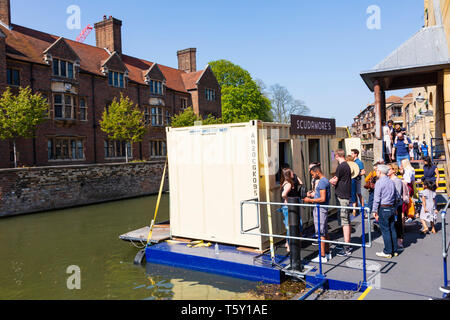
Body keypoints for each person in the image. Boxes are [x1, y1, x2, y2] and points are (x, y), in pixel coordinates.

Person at [372, 164, 400, 258]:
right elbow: (397, 196)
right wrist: (395, 207)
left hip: (383, 208)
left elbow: (376, 198)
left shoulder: (379, 183)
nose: (376, 172)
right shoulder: (391, 182)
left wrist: (374, 210)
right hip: (391, 207)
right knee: (392, 228)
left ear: (380, 172)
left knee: (385, 230)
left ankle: (387, 251)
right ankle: (394, 250)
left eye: (376, 171)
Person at [303, 165, 331, 262]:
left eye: (313, 174)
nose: (312, 176)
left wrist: (310, 200)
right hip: (322, 208)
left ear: (317, 172)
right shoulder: (325, 180)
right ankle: (327, 253)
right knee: (325, 231)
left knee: (320, 232)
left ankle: (322, 256)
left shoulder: (322, 182)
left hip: (321, 209)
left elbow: (322, 198)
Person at [329, 149, 353, 257]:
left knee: (345, 221)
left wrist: (329, 181)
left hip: (342, 197)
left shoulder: (341, 166)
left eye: (335, 155)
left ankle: (347, 247)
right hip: (344, 195)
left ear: (337, 155)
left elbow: (334, 180)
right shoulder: (346, 165)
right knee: (345, 220)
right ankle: (347, 244)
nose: (334, 157)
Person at [280, 168, 301, 252]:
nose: (293, 173)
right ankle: (289, 245)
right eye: (292, 172)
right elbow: (283, 194)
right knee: (292, 226)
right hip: (288, 207)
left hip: (286, 206)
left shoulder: (285, 182)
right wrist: (288, 200)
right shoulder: (288, 184)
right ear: (288, 174)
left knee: (288, 225)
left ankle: (287, 242)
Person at [388, 164, 404, 250]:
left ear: (394, 170)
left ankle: (399, 240)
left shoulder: (397, 180)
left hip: (396, 205)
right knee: (392, 223)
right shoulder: (388, 180)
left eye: (389, 169)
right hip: (390, 204)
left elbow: (397, 195)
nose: (388, 170)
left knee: (398, 223)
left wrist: (395, 206)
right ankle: (394, 240)